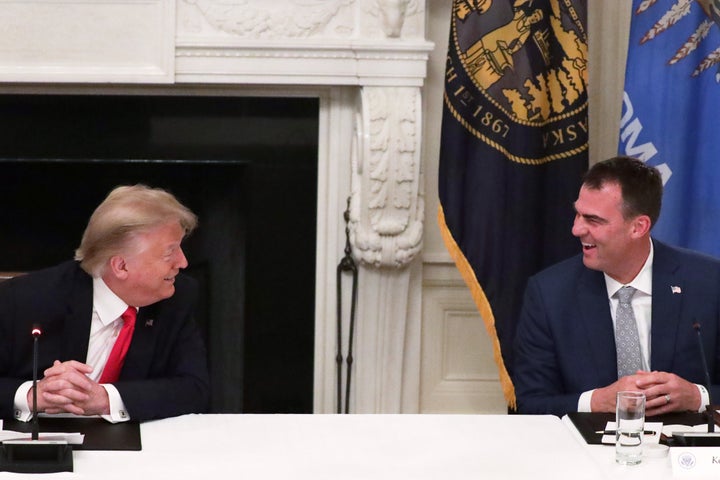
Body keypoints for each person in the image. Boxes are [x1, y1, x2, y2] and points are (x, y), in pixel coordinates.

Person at [512, 156, 720, 416]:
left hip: (684, 452)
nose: (576, 229)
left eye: (593, 220)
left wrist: (697, 396)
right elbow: (530, 404)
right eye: (577, 214)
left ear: (638, 227)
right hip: (586, 450)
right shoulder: (549, 294)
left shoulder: (709, 282)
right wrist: (597, 401)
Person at [0, 185, 210, 422]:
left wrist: (105, 398)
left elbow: (194, 389)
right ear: (120, 266)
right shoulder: (26, 299)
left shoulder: (177, 296)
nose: (182, 262)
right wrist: (31, 395)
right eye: (169, 252)